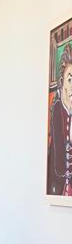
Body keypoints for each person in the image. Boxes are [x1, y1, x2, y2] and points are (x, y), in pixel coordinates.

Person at [47, 42, 72, 196]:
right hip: (59, 190)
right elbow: (59, 168)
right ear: (62, 83)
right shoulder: (57, 110)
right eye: (70, 80)